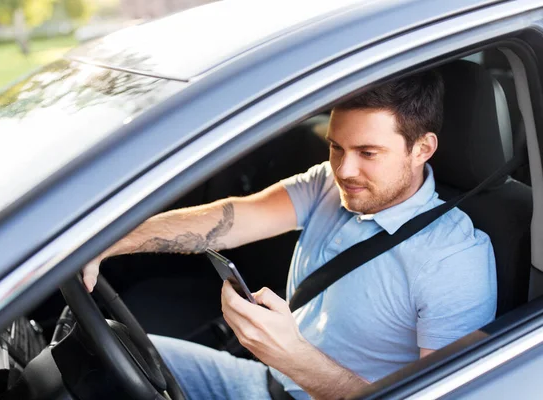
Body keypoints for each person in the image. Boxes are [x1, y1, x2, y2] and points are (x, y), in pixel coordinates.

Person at [81, 70, 496, 400]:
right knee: (101, 356)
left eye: (368, 153)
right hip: (265, 384)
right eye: (336, 147)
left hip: (299, 377)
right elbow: (234, 217)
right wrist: (110, 241)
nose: (344, 170)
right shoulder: (329, 186)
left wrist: (293, 357)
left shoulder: (455, 260)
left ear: (422, 148)